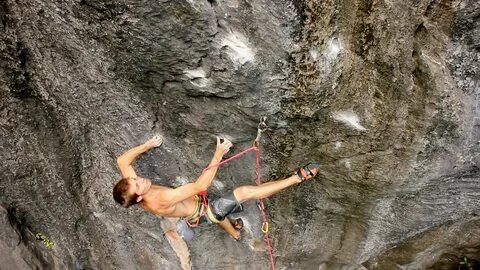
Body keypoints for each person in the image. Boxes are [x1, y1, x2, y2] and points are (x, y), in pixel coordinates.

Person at [113, 135, 319, 240]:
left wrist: (147, 145)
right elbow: (200, 185)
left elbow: (122, 161)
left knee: (220, 215)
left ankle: (234, 233)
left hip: (198, 209)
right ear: (139, 198)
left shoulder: (134, 189)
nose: (142, 180)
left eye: (136, 179)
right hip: (204, 211)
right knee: (242, 193)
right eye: (138, 184)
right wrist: (218, 153)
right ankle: (297, 178)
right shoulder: (160, 200)